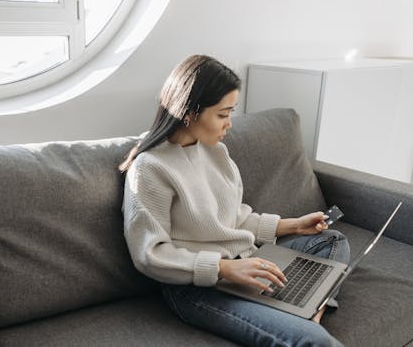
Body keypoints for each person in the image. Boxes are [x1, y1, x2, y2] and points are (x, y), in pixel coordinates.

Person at [119, 54, 350, 347]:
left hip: (246, 260)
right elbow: (149, 254)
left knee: (332, 241)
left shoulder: (215, 152)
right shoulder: (150, 167)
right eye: (223, 114)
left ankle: (310, 306)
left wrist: (293, 226)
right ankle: (306, 314)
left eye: (231, 112)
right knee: (315, 342)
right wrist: (223, 268)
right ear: (189, 111)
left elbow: (235, 219)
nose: (229, 124)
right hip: (198, 287)